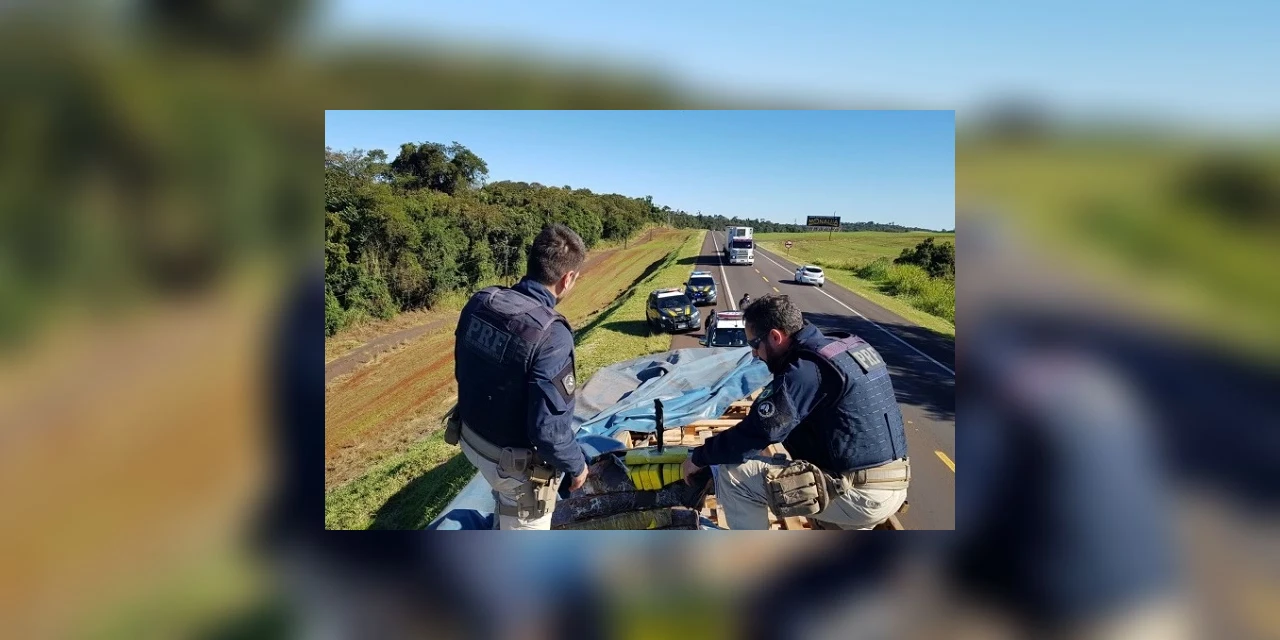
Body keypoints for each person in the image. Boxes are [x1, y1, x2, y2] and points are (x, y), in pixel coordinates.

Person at [681, 294, 909, 529]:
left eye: (754, 344)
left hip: (860, 494)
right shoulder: (846, 347)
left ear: (775, 336)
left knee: (733, 475)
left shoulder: (806, 371)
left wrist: (699, 458)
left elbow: (758, 432)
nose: (754, 354)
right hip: (891, 483)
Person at [449, 224, 589, 529]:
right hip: (509, 466)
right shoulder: (552, 334)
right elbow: (548, 431)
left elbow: (463, 366)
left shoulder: (482, 300)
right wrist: (578, 467)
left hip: (470, 440)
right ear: (568, 279)